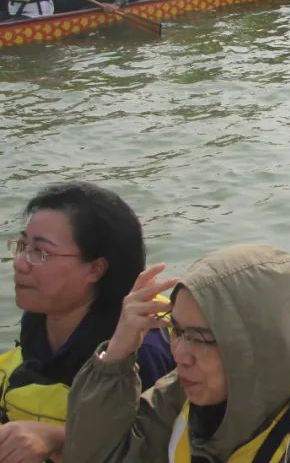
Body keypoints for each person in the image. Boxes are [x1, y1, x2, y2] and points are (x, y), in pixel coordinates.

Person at [62, 244, 290, 462]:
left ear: (255, 344)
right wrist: (117, 354)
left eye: (200, 338)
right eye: (177, 330)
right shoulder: (187, 394)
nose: (181, 354)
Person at [0, 182, 173, 461]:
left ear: (95, 268)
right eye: (22, 245)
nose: (20, 263)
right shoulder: (39, 321)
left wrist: (56, 440)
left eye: (40, 252)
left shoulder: (145, 346)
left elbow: (156, 449)